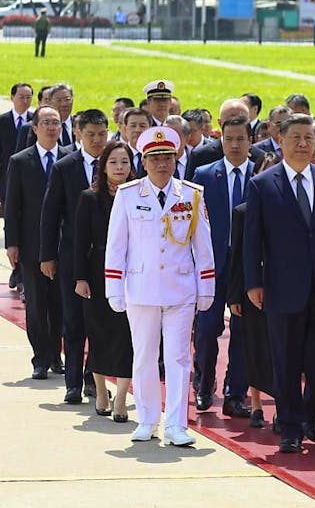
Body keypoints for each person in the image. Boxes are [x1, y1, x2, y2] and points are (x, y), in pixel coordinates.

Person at [243, 113, 315, 454]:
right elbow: (252, 240)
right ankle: (290, 425)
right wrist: (252, 282)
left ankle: (311, 415)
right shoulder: (264, 184)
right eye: (296, 138)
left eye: (310, 138)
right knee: (286, 359)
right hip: (282, 286)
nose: (304, 144)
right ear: (281, 141)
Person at [105, 126, 214, 446]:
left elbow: (203, 243)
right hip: (141, 287)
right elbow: (116, 244)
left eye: (167, 157)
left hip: (180, 287)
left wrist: (206, 285)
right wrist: (114, 286)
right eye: (155, 158)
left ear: (176, 158)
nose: (162, 164)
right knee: (144, 356)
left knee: (179, 358)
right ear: (144, 160)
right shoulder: (128, 194)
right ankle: (148, 418)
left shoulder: (192, 194)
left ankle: (176, 425)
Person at [40, 109, 109, 403]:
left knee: (101, 321)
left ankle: (94, 378)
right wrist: (47, 255)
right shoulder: (65, 166)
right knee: (73, 320)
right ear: (78, 133)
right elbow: (50, 214)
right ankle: (73, 384)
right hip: (71, 256)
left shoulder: (115, 165)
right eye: (90, 134)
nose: (96, 140)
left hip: (105, 260)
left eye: (102, 134)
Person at [191, 117, 253, 418]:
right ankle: (203, 383)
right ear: (222, 141)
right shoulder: (204, 175)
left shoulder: (261, 176)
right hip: (210, 266)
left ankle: (235, 392)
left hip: (247, 268)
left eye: (241, 138)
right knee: (205, 329)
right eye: (229, 139)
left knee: (244, 332)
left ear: (250, 141)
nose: (235, 145)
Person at [5, 106, 72, 380]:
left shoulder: (70, 159)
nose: (51, 127)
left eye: (56, 123)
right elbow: (13, 205)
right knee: (36, 304)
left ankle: (57, 355)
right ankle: (40, 358)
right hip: (32, 245)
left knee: (60, 304)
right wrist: (12, 243)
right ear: (34, 128)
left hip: (62, 245)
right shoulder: (20, 161)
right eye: (45, 122)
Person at [75, 141, 136, 421]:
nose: (120, 168)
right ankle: (101, 389)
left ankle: (122, 397)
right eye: (114, 163)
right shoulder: (89, 198)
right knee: (99, 334)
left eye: (124, 162)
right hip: (97, 273)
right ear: (103, 166)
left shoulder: (138, 195)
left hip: (133, 273)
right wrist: (80, 278)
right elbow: (80, 242)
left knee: (127, 336)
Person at [227, 152, 281, 429]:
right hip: (253, 292)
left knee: (281, 349)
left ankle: (281, 405)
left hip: (284, 289)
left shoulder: (291, 208)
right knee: (254, 348)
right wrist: (235, 295)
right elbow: (237, 256)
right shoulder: (243, 211)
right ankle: (257, 403)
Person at [0, 83, 33, 208]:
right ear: (12, 97)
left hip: (29, 177)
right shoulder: (2, 121)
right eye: (21, 97)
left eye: (28, 97)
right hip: (5, 178)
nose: (25, 101)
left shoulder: (37, 120)